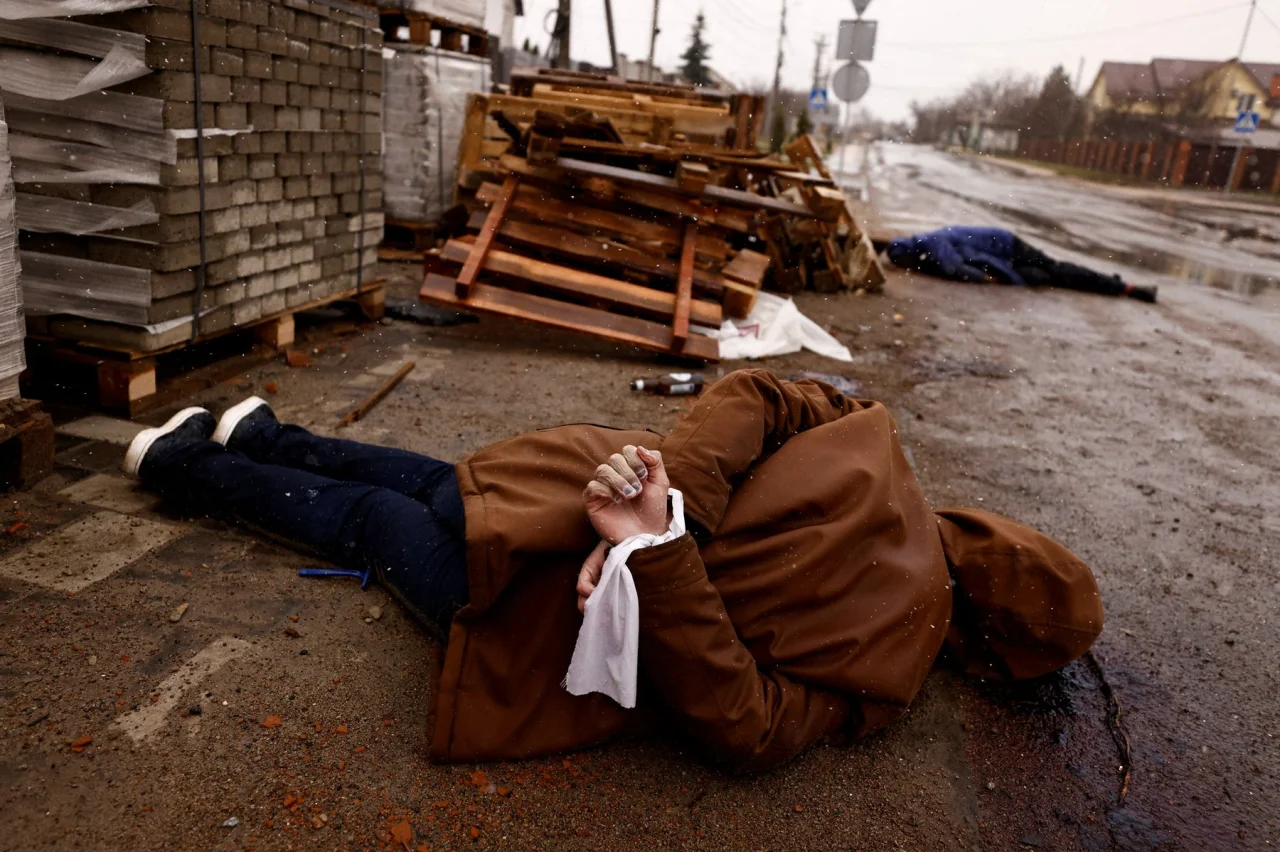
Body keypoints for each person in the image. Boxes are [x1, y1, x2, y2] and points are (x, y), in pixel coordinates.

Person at [124, 370, 1105, 772]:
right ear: (988, 649)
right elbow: (747, 726)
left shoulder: (876, 450)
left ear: (994, 538)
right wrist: (661, 545)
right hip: (561, 619)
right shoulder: (887, 677)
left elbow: (756, 394)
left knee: (431, 482)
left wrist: (671, 519)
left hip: (571, 490)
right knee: (379, 521)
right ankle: (179, 464)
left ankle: (260, 433)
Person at [886, 226, 1158, 303]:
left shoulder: (931, 241)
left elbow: (953, 268)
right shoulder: (928, 243)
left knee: (1057, 271)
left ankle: (1125, 287)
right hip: (1005, 256)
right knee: (1045, 277)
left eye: (903, 261)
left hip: (1009, 248)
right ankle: (1110, 284)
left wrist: (986, 279)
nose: (907, 266)